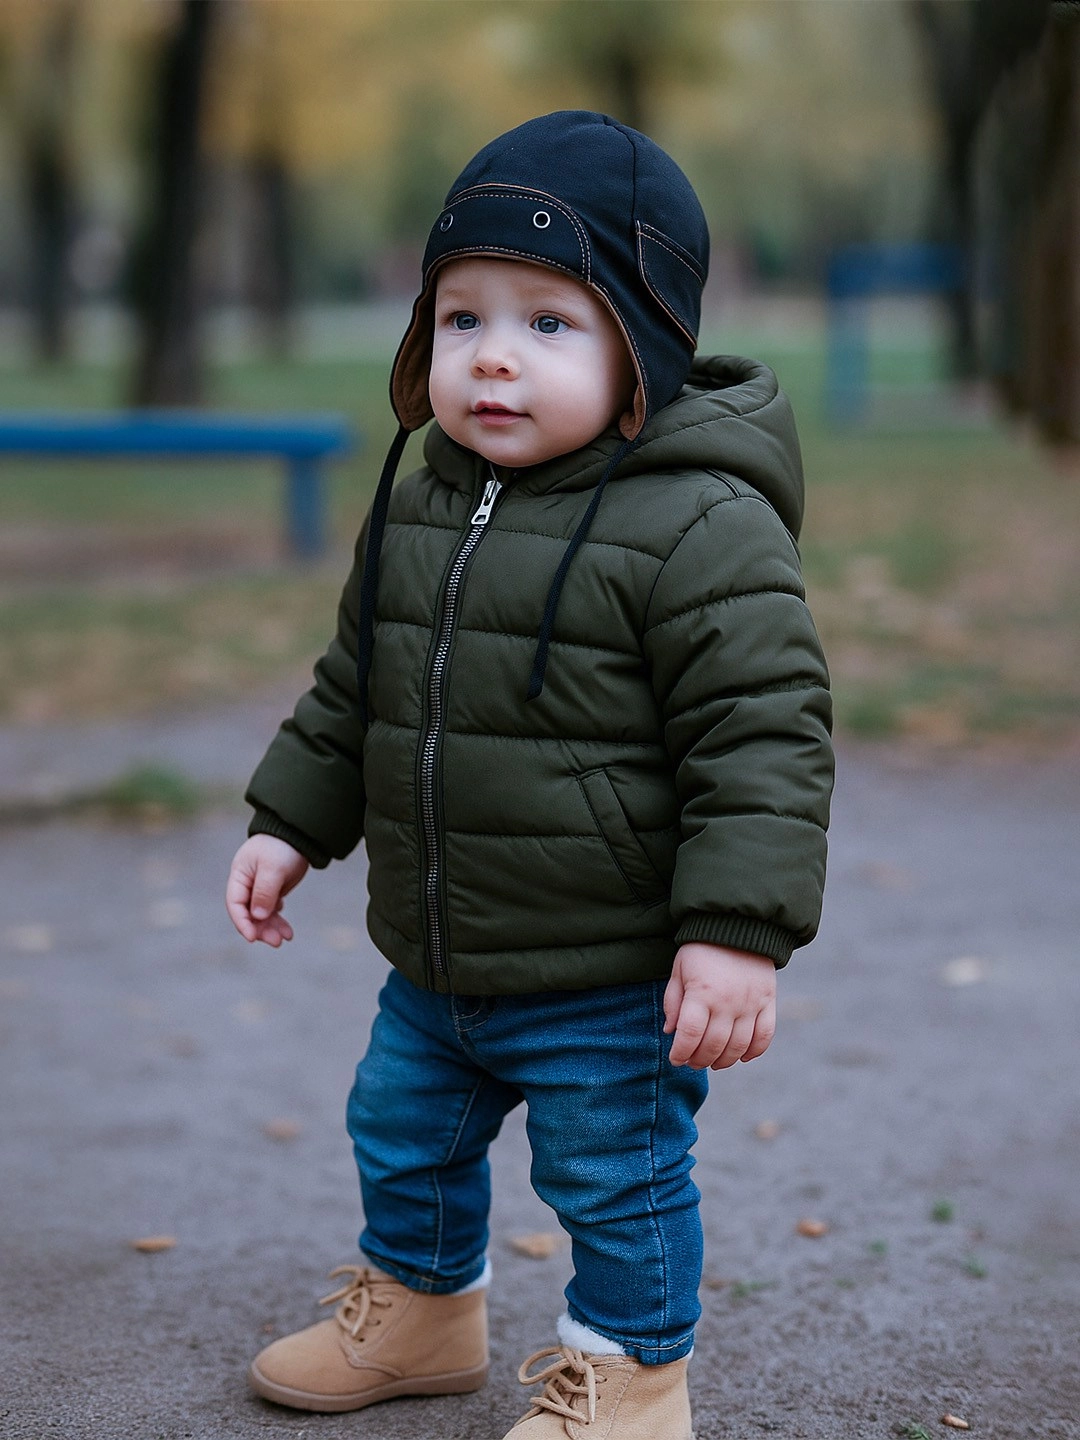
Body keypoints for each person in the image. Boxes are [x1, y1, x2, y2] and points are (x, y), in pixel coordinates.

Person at [225, 110, 833, 1440]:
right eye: (461, 319)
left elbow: (764, 736)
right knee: (402, 1131)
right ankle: (425, 1312)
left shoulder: (702, 522)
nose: (492, 356)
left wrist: (737, 932)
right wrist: (289, 821)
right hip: (439, 951)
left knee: (615, 1178)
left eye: (549, 322)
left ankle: (632, 1380)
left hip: (608, 969)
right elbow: (358, 680)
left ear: (643, 348)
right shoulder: (425, 492)